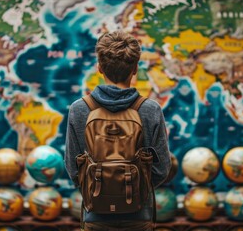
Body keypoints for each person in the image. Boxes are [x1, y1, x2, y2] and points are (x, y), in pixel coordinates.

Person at [64, 30, 171, 231]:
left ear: (99, 68)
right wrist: (133, 190)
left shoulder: (79, 109)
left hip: (95, 216)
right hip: (139, 217)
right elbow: (162, 169)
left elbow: (73, 169)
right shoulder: (149, 110)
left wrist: (101, 188)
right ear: (135, 69)